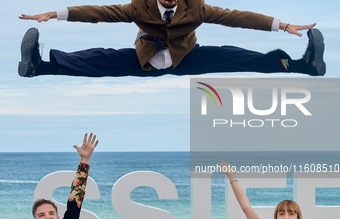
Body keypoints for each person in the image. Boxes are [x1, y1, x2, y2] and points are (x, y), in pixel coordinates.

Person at [18, 0, 325, 78]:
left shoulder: (197, 7)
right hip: (146, 57)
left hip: (186, 55)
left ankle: (304, 66)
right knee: (99, 59)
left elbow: (235, 17)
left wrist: (282, 25)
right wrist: (56, 14)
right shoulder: (140, 6)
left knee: (238, 55)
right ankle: (38, 67)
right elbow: (102, 12)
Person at [29, 133, 99, 219]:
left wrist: (85, 160)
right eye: (41, 215)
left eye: (51, 213)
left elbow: (76, 198)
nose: (47, 217)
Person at [221, 161, 306, 219]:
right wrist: (232, 178)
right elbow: (246, 208)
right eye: (281, 214)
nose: (286, 217)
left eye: (291, 214)